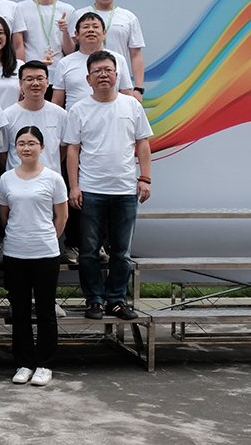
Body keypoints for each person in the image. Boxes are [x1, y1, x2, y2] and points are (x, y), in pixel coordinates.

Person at [63, 51, 153, 321]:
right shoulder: (79, 109)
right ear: (88, 79)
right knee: (88, 251)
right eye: (97, 71)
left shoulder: (131, 105)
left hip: (125, 190)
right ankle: (94, 300)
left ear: (117, 75)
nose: (103, 75)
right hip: (90, 191)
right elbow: (72, 150)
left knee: (121, 252)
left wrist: (145, 178)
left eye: (108, 70)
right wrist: (74, 187)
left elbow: (143, 143)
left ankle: (116, 300)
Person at [0, 126, 68, 387]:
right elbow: (4, 215)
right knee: (20, 311)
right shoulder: (6, 179)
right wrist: (20, 234)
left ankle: (45, 364)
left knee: (46, 311)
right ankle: (24, 363)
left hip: (45, 253)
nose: (26, 148)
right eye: (21, 143)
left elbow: (62, 216)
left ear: (42, 147)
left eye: (31, 143)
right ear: (15, 148)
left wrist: (46, 236)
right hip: (15, 252)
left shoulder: (53, 178)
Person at [69, 0, 146, 101]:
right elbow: (71, 49)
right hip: (86, 79)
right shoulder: (79, 15)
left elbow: (136, 54)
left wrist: (138, 88)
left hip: (118, 79)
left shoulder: (128, 17)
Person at [0, 61, 67, 176]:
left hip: (50, 180)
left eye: (40, 79)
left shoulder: (60, 114)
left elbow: (63, 148)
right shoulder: (7, 115)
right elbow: (1, 152)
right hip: (17, 180)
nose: (35, 83)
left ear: (47, 82)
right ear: (20, 83)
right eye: (29, 79)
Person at [51, 13, 134, 111]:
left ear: (104, 33)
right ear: (76, 34)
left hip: (111, 116)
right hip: (76, 118)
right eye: (86, 27)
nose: (91, 30)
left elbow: (127, 96)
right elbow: (57, 102)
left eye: (95, 27)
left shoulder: (118, 59)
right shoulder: (65, 63)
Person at [17, 0, 76, 83]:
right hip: (31, 75)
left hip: (59, 75)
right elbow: (17, 45)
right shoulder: (21, 8)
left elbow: (70, 51)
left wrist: (65, 31)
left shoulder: (68, 10)